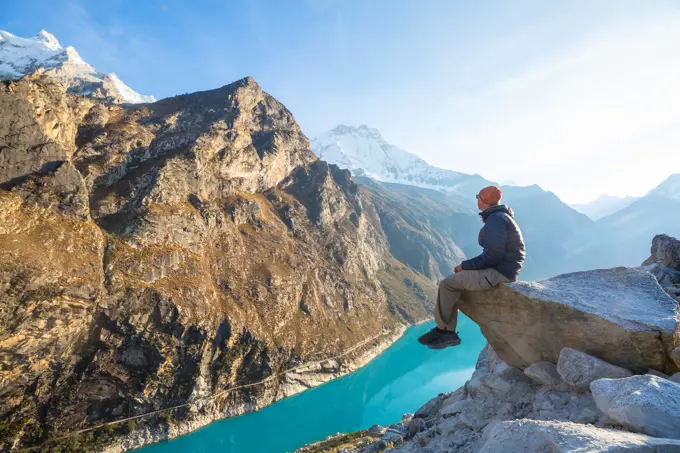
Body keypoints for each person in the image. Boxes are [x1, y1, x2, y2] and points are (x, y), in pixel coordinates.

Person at [418, 185, 526, 349]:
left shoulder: (496, 219)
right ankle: (444, 330)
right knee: (455, 280)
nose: (477, 199)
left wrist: (464, 266)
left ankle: (446, 332)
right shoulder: (500, 217)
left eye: (478, 196)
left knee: (448, 284)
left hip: (499, 272)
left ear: (485, 201)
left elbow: (493, 256)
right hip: (504, 268)